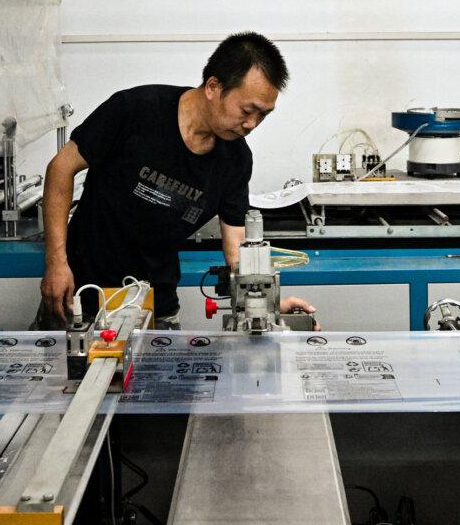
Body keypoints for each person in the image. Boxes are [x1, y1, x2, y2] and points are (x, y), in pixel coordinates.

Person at [36, 31, 315, 329]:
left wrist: (267, 306)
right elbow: (60, 169)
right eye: (247, 111)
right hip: (80, 295)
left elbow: (236, 249)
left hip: (157, 306)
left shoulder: (235, 159)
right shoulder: (134, 110)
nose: (251, 125)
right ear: (212, 86)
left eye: (263, 116)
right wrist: (56, 262)